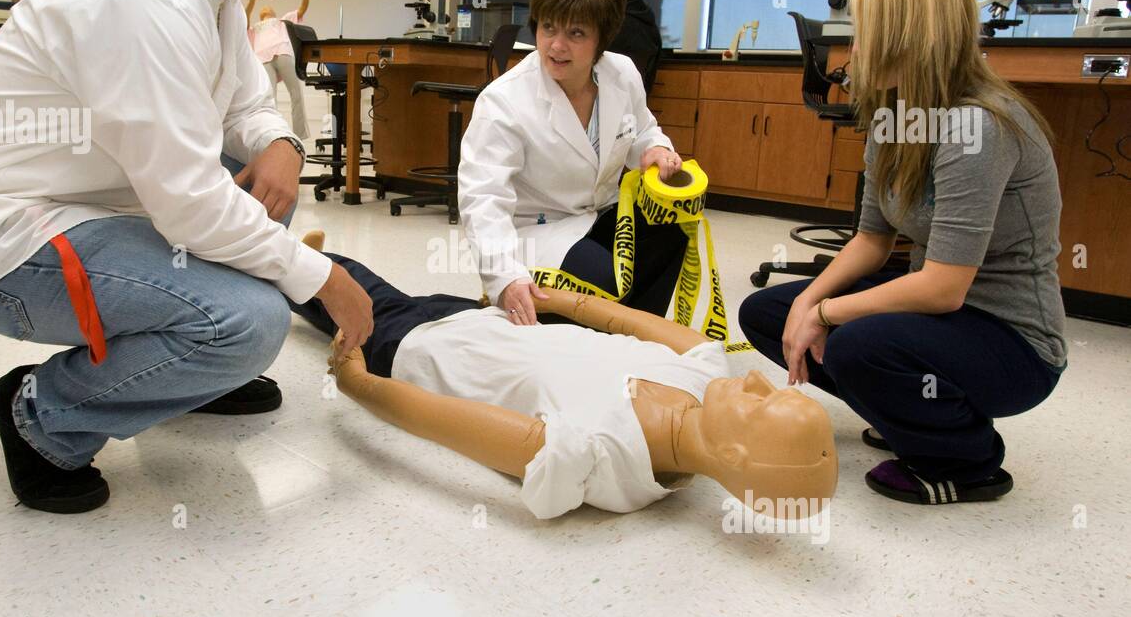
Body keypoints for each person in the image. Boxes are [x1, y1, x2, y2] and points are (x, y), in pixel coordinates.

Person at [0, 0, 373, 515]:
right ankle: (41, 416)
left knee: (261, 182)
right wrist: (328, 279)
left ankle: (188, 375)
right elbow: (190, 205)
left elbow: (247, 104)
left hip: (96, 202)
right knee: (249, 322)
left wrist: (284, 142)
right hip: (10, 237)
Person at [738, 0, 1067, 506]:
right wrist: (806, 302)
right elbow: (871, 239)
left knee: (857, 344)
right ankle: (913, 411)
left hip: (1014, 342)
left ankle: (968, 461)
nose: (854, 48)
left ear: (910, 35)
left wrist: (825, 311)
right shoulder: (894, 116)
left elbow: (943, 288)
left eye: (866, 31)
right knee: (767, 312)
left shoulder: (977, 128)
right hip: (947, 317)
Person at [292, 233, 837, 520]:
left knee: (345, 297)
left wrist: (359, 384)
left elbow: (444, 421)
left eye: (762, 405)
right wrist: (554, 298)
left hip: (423, 350)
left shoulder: (600, 460)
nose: (760, 382)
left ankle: (272, 262)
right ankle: (296, 257)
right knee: (378, 287)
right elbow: (621, 318)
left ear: (737, 459)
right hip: (495, 319)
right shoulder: (704, 366)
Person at [457, 0, 688, 326]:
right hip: (538, 233)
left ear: (603, 37)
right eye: (548, 27)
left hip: (602, 215)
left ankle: (638, 335)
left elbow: (642, 130)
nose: (556, 45)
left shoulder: (623, 73)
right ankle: (598, 332)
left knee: (670, 233)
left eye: (576, 33)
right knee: (604, 279)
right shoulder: (505, 100)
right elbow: (482, 199)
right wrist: (504, 277)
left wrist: (655, 150)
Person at [246, 0, 312, 136]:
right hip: (263, 60)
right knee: (269, 98)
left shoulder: (282, 21)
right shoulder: (253, 28)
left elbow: (301, 10)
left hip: (282, 53)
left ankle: (300, 133)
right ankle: (273, 132)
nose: (266, 7)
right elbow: (246, 14)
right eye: (263, 8)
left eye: (269, 7)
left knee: (295, 92)